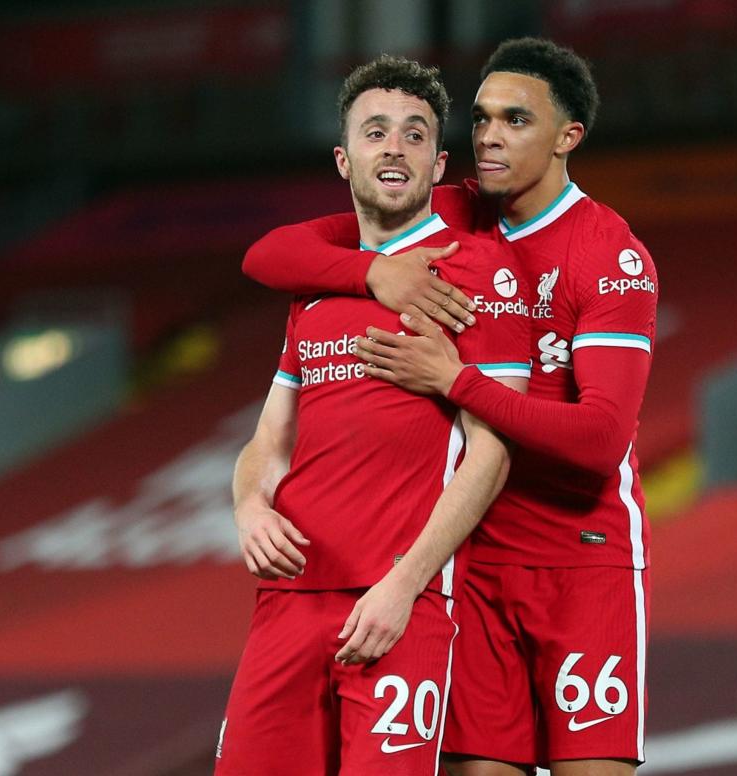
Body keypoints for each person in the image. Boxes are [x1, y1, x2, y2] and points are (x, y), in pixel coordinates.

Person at [242, 38, 658, 776]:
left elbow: (600, 439)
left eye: (516, 121)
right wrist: (375, 274)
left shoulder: (610, 255)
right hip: (473, 559)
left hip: (579, 560)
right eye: (483, 117)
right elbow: (268, 256)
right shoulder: (452, 211)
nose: (490, 136)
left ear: (569, 138)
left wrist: (455, 381)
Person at [216, 55, 531, 776]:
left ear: (438, 162)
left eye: (415, 134)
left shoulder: (481, 272)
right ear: (344, 158)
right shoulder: (314, 288)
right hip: (288, 603)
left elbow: (492, 453)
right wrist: (247, 507)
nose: (395, 146)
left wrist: (404, 583)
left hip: (400, 602)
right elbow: (269, 439)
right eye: (376, 131)